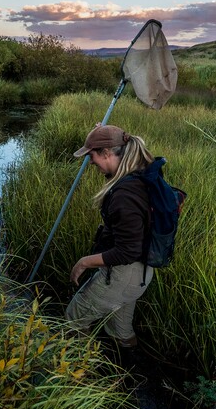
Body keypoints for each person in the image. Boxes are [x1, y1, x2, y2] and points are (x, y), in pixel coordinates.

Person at [65, 124, 155, 363]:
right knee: (120, 331)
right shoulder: (140, 174)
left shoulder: (124, 195)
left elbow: (127, 250)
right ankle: (128, 377)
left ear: (107, 153)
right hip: (141, 274)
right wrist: (101, 132)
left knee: (73, 320)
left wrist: (84, 262)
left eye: (92, 155)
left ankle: (82, 382)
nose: (90, 162)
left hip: (122, 275)